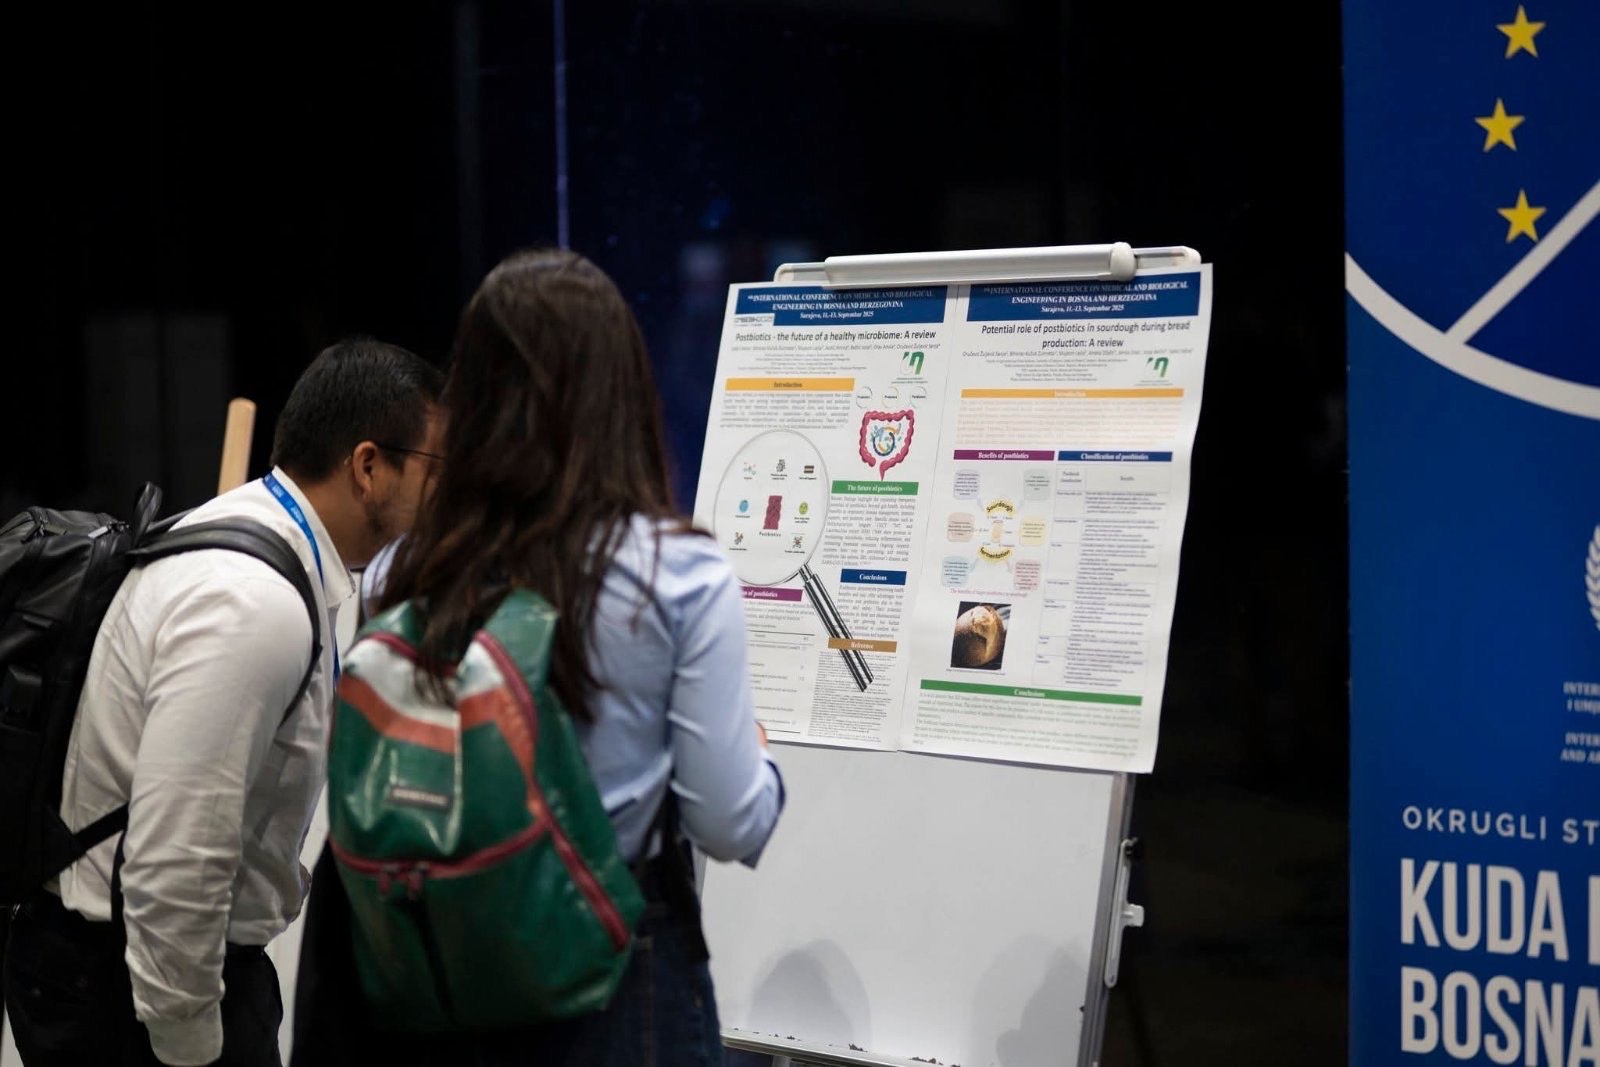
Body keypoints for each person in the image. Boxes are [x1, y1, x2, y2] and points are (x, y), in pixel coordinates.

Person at [298, 248, 783, 1066]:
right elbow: (730, 820)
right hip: (613, 980)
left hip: (439, 970)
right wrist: (761, 759)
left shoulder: (400, 571)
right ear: (622, 394)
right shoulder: (677, 574)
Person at [2, 338, 444, 1067]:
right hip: (132, 991)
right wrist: (191, 1045)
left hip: (125, 969)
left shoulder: (252, 539)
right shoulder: (254, 602)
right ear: (368, 466)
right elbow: (177, 857)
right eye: (436, 468)